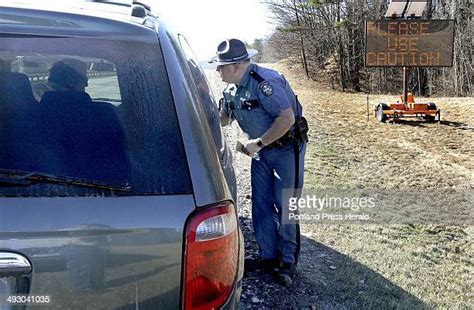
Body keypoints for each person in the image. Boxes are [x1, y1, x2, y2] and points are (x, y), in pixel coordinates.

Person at [209, 39, 308, 286]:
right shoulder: (232, 89)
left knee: (286, 204)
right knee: (261, 204)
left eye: (221, 67)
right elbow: (225, 118)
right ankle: (267, 257)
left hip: (285, 149)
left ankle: (287, 262)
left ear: (235, 66)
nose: (217, 71)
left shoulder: (265, 83)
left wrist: (260, 143)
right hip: (261, 152)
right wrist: (205, 110)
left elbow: (286, 119)